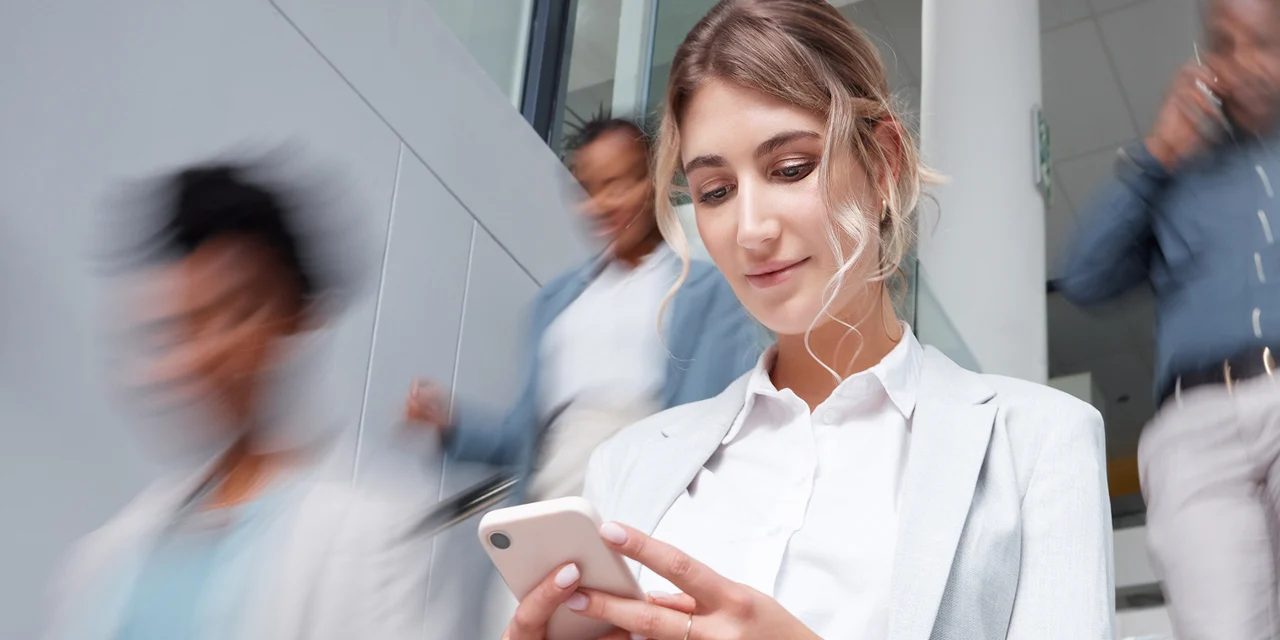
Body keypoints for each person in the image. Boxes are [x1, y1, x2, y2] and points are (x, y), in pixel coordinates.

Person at [502, 2, 1115, 639]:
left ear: (884, 165)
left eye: (790, 169)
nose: (751, 230)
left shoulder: (1041, 443)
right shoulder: (627, 463)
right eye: (714, 191)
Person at [44, 162, 440, 640]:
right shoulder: (106, 557)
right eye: (185, 323)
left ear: (297, 320)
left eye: (235, 313)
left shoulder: (379, 540)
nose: (204, 352)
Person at [1057, 0, 1280, 636]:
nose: (1244, 64)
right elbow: (1085, 277)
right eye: (1226, 45)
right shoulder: (1175, 177)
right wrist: (1158, 153)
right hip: (1194, 430)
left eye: (1262, 42)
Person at [405, 116, 760, 503]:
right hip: (547, 505)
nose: (600, 205)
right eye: (587, 190)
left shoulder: (705, 291)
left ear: (655, 182)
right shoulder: (555, 305)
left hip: (638, 506)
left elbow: (710, 422)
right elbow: (524, 439)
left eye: (618, 184)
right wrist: (450, 426)